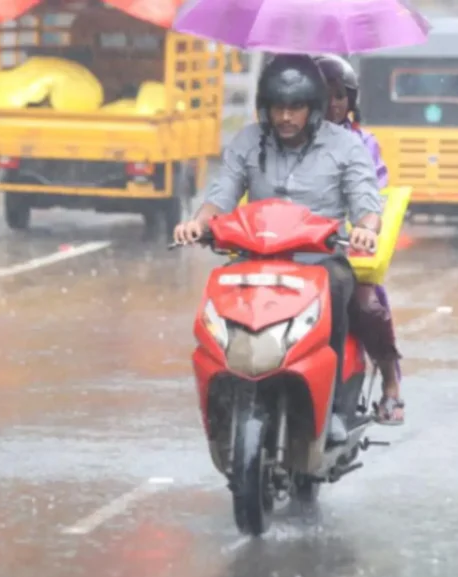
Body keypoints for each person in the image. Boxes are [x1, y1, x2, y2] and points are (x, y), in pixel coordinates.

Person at [172, 53, 383, 444]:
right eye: (277, 107)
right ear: (264, 108)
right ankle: (225, 389)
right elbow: (222, 194)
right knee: (218, 292)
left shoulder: (345, 147)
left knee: (340, 287)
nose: (286, 117)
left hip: (318, 264)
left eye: (296, 107)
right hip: (256, 261)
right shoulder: (249, 140)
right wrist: (198, 225)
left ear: (314, 108)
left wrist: (366, 229)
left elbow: (367, 204)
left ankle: (334, 407)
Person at [314, 54, 405, 425]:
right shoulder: (287, 139)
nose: (333, 103)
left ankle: (390, 384)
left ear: (352, 100)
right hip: (291, 248)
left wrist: (363, 226)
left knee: (366, 306)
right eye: (324, 94)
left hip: (342, 249)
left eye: (341, 95)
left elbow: (371, 194)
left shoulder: (362, 144)